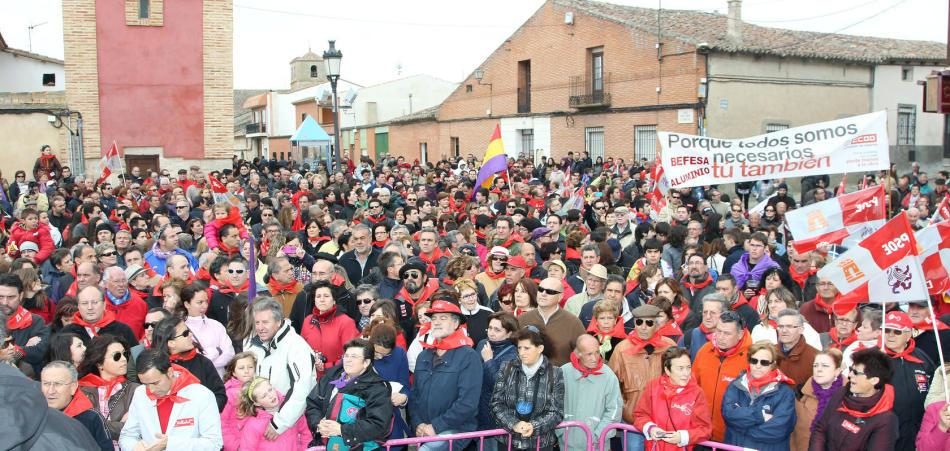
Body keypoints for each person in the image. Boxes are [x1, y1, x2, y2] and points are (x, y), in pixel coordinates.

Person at [409, 300, 483, 450]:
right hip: (425, 431)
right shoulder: (424, 356)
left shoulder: (469, 356)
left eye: (443, 318)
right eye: (434, 318)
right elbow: (415, 395)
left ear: (456, 324)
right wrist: (418, 423)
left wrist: (436, 426)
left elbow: (467, 403)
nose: (436, 322)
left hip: (456, 432)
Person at [119, 348, 224, 450]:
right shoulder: (140, 393)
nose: (150, 390)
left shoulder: (201, 395)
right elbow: (127, 436)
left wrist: (170, 444)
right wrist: (134, 447)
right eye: (145, 384)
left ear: (170, 372)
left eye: (155, 383)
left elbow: (214, 443)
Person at [243, 297, 316, 440]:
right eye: (257, 322)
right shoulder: (254, 344)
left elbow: (303, 388)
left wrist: (280, 422)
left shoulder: (296, 346)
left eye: (265, 322)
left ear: (278, 321)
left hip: (287, 424)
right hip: (261, 419)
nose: (260, 327)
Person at [609, 304, 677, 450]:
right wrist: (625, 407)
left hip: (664, 419)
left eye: (649, 322)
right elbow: (612, 385)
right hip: (633, 420)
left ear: (657, 325)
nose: (643, 327)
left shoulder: (669, 346)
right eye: (639, 322)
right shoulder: (622, 349)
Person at [304, 338, 393, 449]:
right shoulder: (331, 376)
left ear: (366, 362)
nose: (348, 360)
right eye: (346, 356)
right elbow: (312, 403)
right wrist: (318, 424)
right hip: (327, 444)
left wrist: (341, 430)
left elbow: (379, 425)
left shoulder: (377, 388)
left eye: (354, 357)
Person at [490, 326, 564, 451]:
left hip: (541, 444)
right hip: (508, 443)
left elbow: (556, 412)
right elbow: (496, 404)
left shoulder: (555, 373)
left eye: (527, 348)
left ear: (540, 348)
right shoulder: (507, 368)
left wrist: (533, 427)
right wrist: (514, 424)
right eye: (519, 348)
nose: (522, 352)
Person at [809, 348, 898, 450]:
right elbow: (820, 429)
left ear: (874, 380)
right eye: (851, 370)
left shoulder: (885, 420)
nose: (850, 375)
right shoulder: (841, 394)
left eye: (856, 372)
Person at [721, 341, 797, 451]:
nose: (758, 366)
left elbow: (779, 429)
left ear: (773, 364)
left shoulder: (785, 393)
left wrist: (741, 428)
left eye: (764, 362)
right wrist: (759, 416)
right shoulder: (735, 386)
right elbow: (728, 414)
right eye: (754, 360)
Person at [633, 347, 712, 450]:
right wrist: (650, 428)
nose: (686, 373)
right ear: (667, 370)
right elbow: (640, 415)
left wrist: (682, 437)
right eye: (680, 368)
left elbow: (705, 429)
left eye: (688, 367)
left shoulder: (697, 393)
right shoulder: (653, 386)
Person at [693, 311, 753, 442]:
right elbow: (692, 386)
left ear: (740, 334)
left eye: (727, 333)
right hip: (701, 432)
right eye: (718, 331)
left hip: (732, 436)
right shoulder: (704, 351)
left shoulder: (752, 359)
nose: (720, 337)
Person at [880, 309, 936, 450]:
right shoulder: (875, 359)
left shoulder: (922, 358)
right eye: (887, 330)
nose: (890, 335)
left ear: (908, 335)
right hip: (886, 433)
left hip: (917, 430)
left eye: (897, 331)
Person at [151, 315, 228, 410]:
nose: (191, 334)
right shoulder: (156, 368)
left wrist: (202, 412)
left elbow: (220, 396)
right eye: (185, 333)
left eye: (189, 330)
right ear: (171, 343)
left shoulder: (203, 363)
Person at [561, 333, 622, 450]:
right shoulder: (563, 372)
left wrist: (598, 436)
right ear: (578, 354)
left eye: (597, 352)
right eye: (589, 354)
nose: (594, 358)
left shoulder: (609, 376)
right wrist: (561, 432)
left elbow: (614, 411)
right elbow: (554, 405)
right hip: (567, 444)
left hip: (598, 445)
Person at [76, 334, 141, 443]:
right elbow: (81, 427)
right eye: (117, 356)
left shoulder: (136, 390)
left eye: (125, 354)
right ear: (99, 363)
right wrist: (119, 425)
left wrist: (97, 426)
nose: (124, 359)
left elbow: (135, 429)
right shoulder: (82, 390)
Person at [40, 360, 113, 451]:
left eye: (58, 384)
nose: (50, 391)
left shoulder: (91, 418)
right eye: (46, 384)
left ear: (73, 387)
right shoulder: (33, 416)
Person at [518, 277, 585, 366]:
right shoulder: (522, 319)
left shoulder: (574, 323)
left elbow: (584, 354)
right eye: (541, 289)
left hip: (561, 377)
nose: (543, 294)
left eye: (550, 292)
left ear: (560, 297)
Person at [300, 280, 360, 377]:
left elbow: (352, 355)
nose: (322, 299)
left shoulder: (346, 322)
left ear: (334, 300)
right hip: (310, 377)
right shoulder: (308, 320)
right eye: (318, 296)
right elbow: (301, 350)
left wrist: (326, 366)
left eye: (326, 296)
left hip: (337, 377)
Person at [235, 377, 312, 451]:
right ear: (257, 403)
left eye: (270, 390)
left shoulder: (290, 410)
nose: (270, 395)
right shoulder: (253, 425)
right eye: (264, 396)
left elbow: (306, 434)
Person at [475, 312, 520, 438]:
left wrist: (489, 361)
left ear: (509, 333)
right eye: (489, 328)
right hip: (477, 410)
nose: (491, 332)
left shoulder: (513, 355)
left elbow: (500, 385)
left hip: (496, 415)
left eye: (497, 330)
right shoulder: (482, 344)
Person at [367, 321, 411, 446]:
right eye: (376, 353)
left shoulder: (399, 354)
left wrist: (403, 397)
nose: (379, 357)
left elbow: (405, 386)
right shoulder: (358, 352)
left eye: (384, 354)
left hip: (392, 418)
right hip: (365, 417)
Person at [791, 349, 845, 451]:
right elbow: (793, 434)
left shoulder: (849, 397)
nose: (818, 369)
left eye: (825, 366)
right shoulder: (800, 395)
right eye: (815, 365)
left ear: (837, 371)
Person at [0, 272, 50, 376]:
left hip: (21, 382)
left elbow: (39, 351)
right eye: (1, 297)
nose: (4, 302)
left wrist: (16, 352)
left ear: (21, 295)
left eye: (10, 297)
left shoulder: (34, 321)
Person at [181, 283, 234, 377]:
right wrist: (216, 352)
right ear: (187, 304)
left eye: (206, 301)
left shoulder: (216, 325)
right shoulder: (180, 329)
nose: (205, 306)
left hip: (219, 379)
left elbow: (230, 353)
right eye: (200, 302)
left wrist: (207, 363)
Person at [61, 285, 138, 346]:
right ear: (78, 306)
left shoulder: (123, 330)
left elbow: (135, 360)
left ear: (104, 304)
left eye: (94, 302)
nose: (90, 307)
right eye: (84, 303)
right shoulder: (66, 333)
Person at [102, 266, 149, 341]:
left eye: (124, 280)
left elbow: (146, 329)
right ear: (105, 284)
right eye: (116, 281)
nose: (121, 284)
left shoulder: (139, 303)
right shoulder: (99, 304)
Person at [221, 352, 257, 451]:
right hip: (238, 444)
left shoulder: (261, 388)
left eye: (250, 367)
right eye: (241, 368)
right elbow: (222, 423)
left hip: (257, 443)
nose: (246, 371)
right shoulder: (229, 394)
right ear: (233, 373)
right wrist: (235, 446)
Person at [679, 293, 728, 360]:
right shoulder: (689, 337)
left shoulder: (730, 338)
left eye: (712, 313)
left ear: (723, 314)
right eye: (705, 312)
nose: (708, 317)